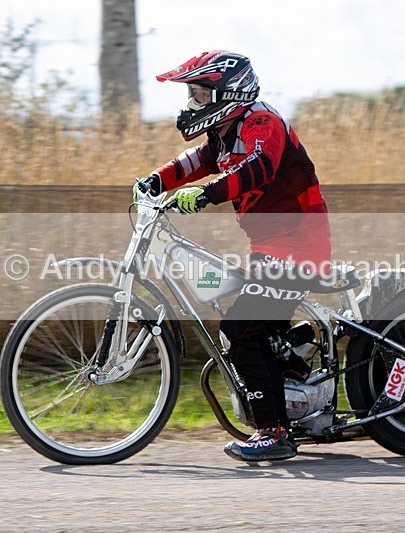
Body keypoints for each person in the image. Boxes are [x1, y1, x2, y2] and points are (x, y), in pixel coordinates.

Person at [135, 51, 331, 462]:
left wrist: (205, 195)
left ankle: (274, 432)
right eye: (193, 96)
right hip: (272, 250)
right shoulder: (226, 131)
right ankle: (291, 373)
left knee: (242, 329)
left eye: (202, 96)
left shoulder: (262, 122)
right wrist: (155, 181)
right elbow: (197, 161)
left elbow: (257, 168)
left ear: (229, 92)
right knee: (233, 306)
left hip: (299, 248)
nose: (194, 105)